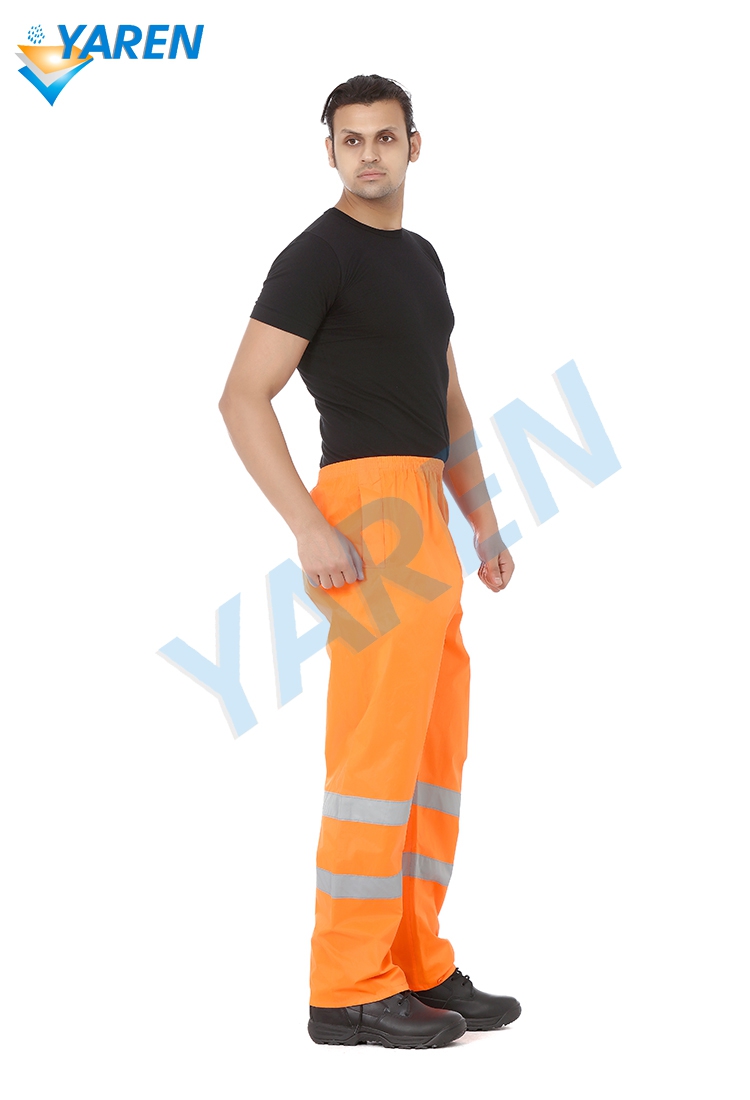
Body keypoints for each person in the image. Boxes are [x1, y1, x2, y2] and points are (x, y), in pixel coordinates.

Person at [219, 74, 521, 1049]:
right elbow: (241, 396)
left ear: (413, 146)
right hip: (365, 513)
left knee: (432, 754)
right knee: (374, 758)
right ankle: (347, 986)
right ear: (331, 152)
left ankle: (416, 959)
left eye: (385, 137)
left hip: (426, 510)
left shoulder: (422, 259)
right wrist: (308, 526)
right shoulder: (317, 255)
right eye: (351, 140)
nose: (369, 155)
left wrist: (484, 522)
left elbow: (448, 400)